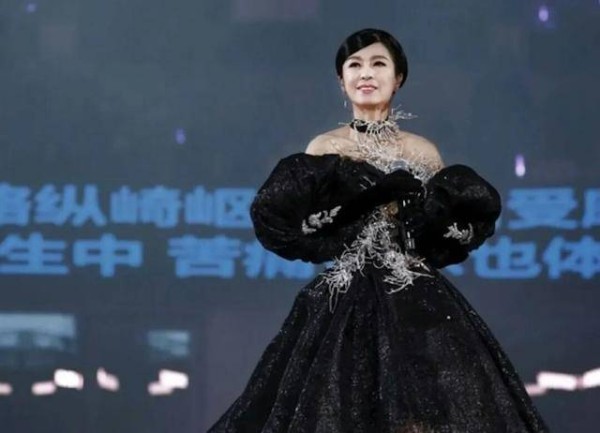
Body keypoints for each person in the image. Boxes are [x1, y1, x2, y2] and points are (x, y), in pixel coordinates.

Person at [207, 28, 548, 433]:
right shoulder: (325, 148)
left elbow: (448, 233)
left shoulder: (422, 151)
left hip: (415, 298)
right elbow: (297, 226)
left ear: (398, 77)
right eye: (354, 65)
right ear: (341, 80)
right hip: (346, 299)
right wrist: (367, 200)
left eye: (378, 64)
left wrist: (425, 217)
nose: (366, 73)